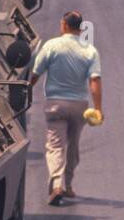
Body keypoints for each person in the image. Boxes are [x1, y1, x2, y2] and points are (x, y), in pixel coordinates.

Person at [28, 11, 103, 207]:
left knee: (55, 146)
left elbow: (36, 73)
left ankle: (57, 185)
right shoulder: (90, 50)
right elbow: (95, 81)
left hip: (55, 105)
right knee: (73, 145)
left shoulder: (52, 46)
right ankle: (68, 185)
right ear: (80, 27)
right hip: (80, 106)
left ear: (64, 25)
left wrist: (26, 89)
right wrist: (99, 108)